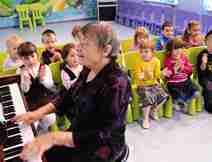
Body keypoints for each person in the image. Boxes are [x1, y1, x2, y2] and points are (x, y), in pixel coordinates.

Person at [14, 22, 131, 162]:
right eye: (79, 42)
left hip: (101, 148)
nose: (78, 48)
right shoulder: (88, 68)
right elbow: (67, 96)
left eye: (85, 44)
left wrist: (54, 138)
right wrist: (36, 114)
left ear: (105, 50)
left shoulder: (117, 83)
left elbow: (104, 134)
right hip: (79, 133)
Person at [17, 42, 56, 134]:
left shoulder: (44, 67)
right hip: (30, 101)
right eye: (26, 58)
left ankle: (44, 129)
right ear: (21, 59)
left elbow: (50, 85)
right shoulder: (20, 70)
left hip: (44, 98)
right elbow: (23, 90)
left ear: (37, 55)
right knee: (29, 124)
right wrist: (25, 82)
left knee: (50, 119)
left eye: (32, 56)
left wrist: (43, 80)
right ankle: (37, 130)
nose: (30, 60)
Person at [133, 39, 168, 129]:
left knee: (164, 96)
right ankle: (145, 118)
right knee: (147, 98)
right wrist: (145, 76)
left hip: (153, 84)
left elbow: (157, 75)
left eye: (146, 51)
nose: (143, 54)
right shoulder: (138, 62)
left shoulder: (156, 61)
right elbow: (138, 77)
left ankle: (154, 110)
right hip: (142, 85)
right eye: (141, 52)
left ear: (152, 52)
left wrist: (162, 74)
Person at [163, 38, 199, 112]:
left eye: (180, 48)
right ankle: (177, 102)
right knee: (174, 91)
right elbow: (167, 75)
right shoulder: (168, 60)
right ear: (170, 51)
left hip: (185, 80)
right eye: (176, 49)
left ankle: (185, 101)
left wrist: (183, 68)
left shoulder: (184, 58)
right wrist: (174, 69)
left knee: (193, 88)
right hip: (173, 82)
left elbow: (190, 71)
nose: (178, 51)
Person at [197, 30, 212, 113]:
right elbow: (201, 72)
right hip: (205, 78)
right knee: (209, 86)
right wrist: (203, 63)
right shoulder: (202, 54)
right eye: (210, 40)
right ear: (206, 41)